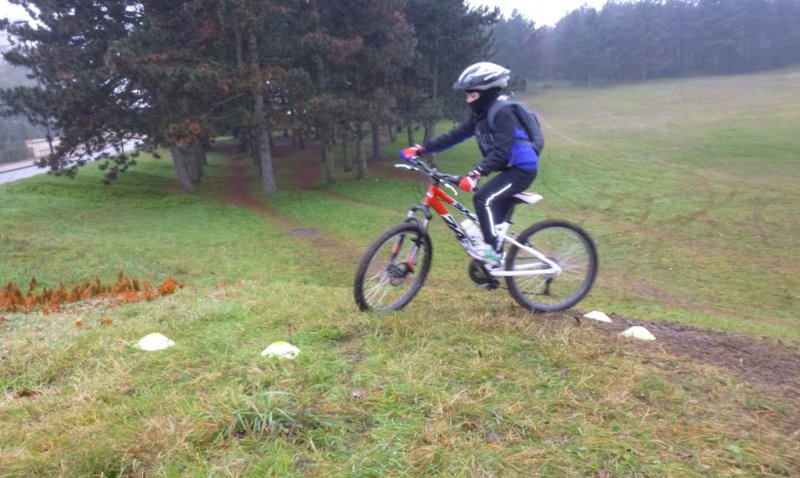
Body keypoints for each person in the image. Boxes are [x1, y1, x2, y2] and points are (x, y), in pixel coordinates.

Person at [400, 62, 539, 264]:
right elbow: (454, 136)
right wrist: (422, 149)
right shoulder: (480, 116)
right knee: (487, 219)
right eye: (467, 96)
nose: (468, 101)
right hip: (508, 169)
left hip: (522, 170)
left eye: (472, 96)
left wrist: (475, 173)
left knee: (482, 198)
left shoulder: (503, 113)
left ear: (487, 93)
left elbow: (501, 151)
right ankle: (491, 264)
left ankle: (495, 251)